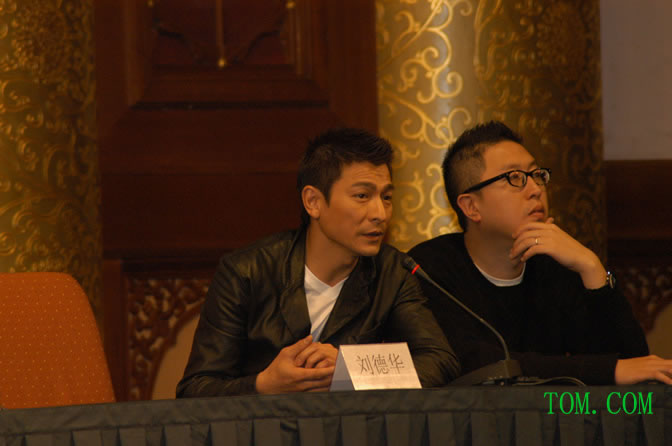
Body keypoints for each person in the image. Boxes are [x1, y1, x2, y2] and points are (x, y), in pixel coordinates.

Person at [177, 128, 460, 397]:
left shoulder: (393, 271)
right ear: (313, 201)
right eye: (362, 196)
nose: (380, 213)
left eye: (386, 197)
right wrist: (264, 385)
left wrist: (352, 369)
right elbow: (196, 389)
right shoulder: (246, 272)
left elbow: (440, 361)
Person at [408, 121, 672, 385]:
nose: (535, 190)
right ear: (471, 207)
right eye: (514, 178)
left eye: (537, 175)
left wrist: (591, 267)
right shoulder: (428, 270)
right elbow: (477, 363)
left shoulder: (557, 263)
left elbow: (635, 365)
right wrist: (608, 370)